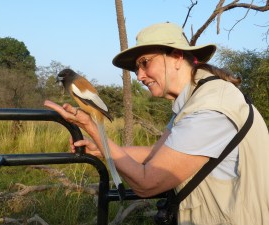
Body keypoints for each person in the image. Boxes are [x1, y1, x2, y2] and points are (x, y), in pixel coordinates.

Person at [45, 22, 269, 225]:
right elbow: (157, 154)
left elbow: (147, 182)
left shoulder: (209, 109)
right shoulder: (194, 99)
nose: (139, 76)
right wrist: (106, 149)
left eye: (145, 63)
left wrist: (92, 127)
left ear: (178, 57)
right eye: (135, 68)